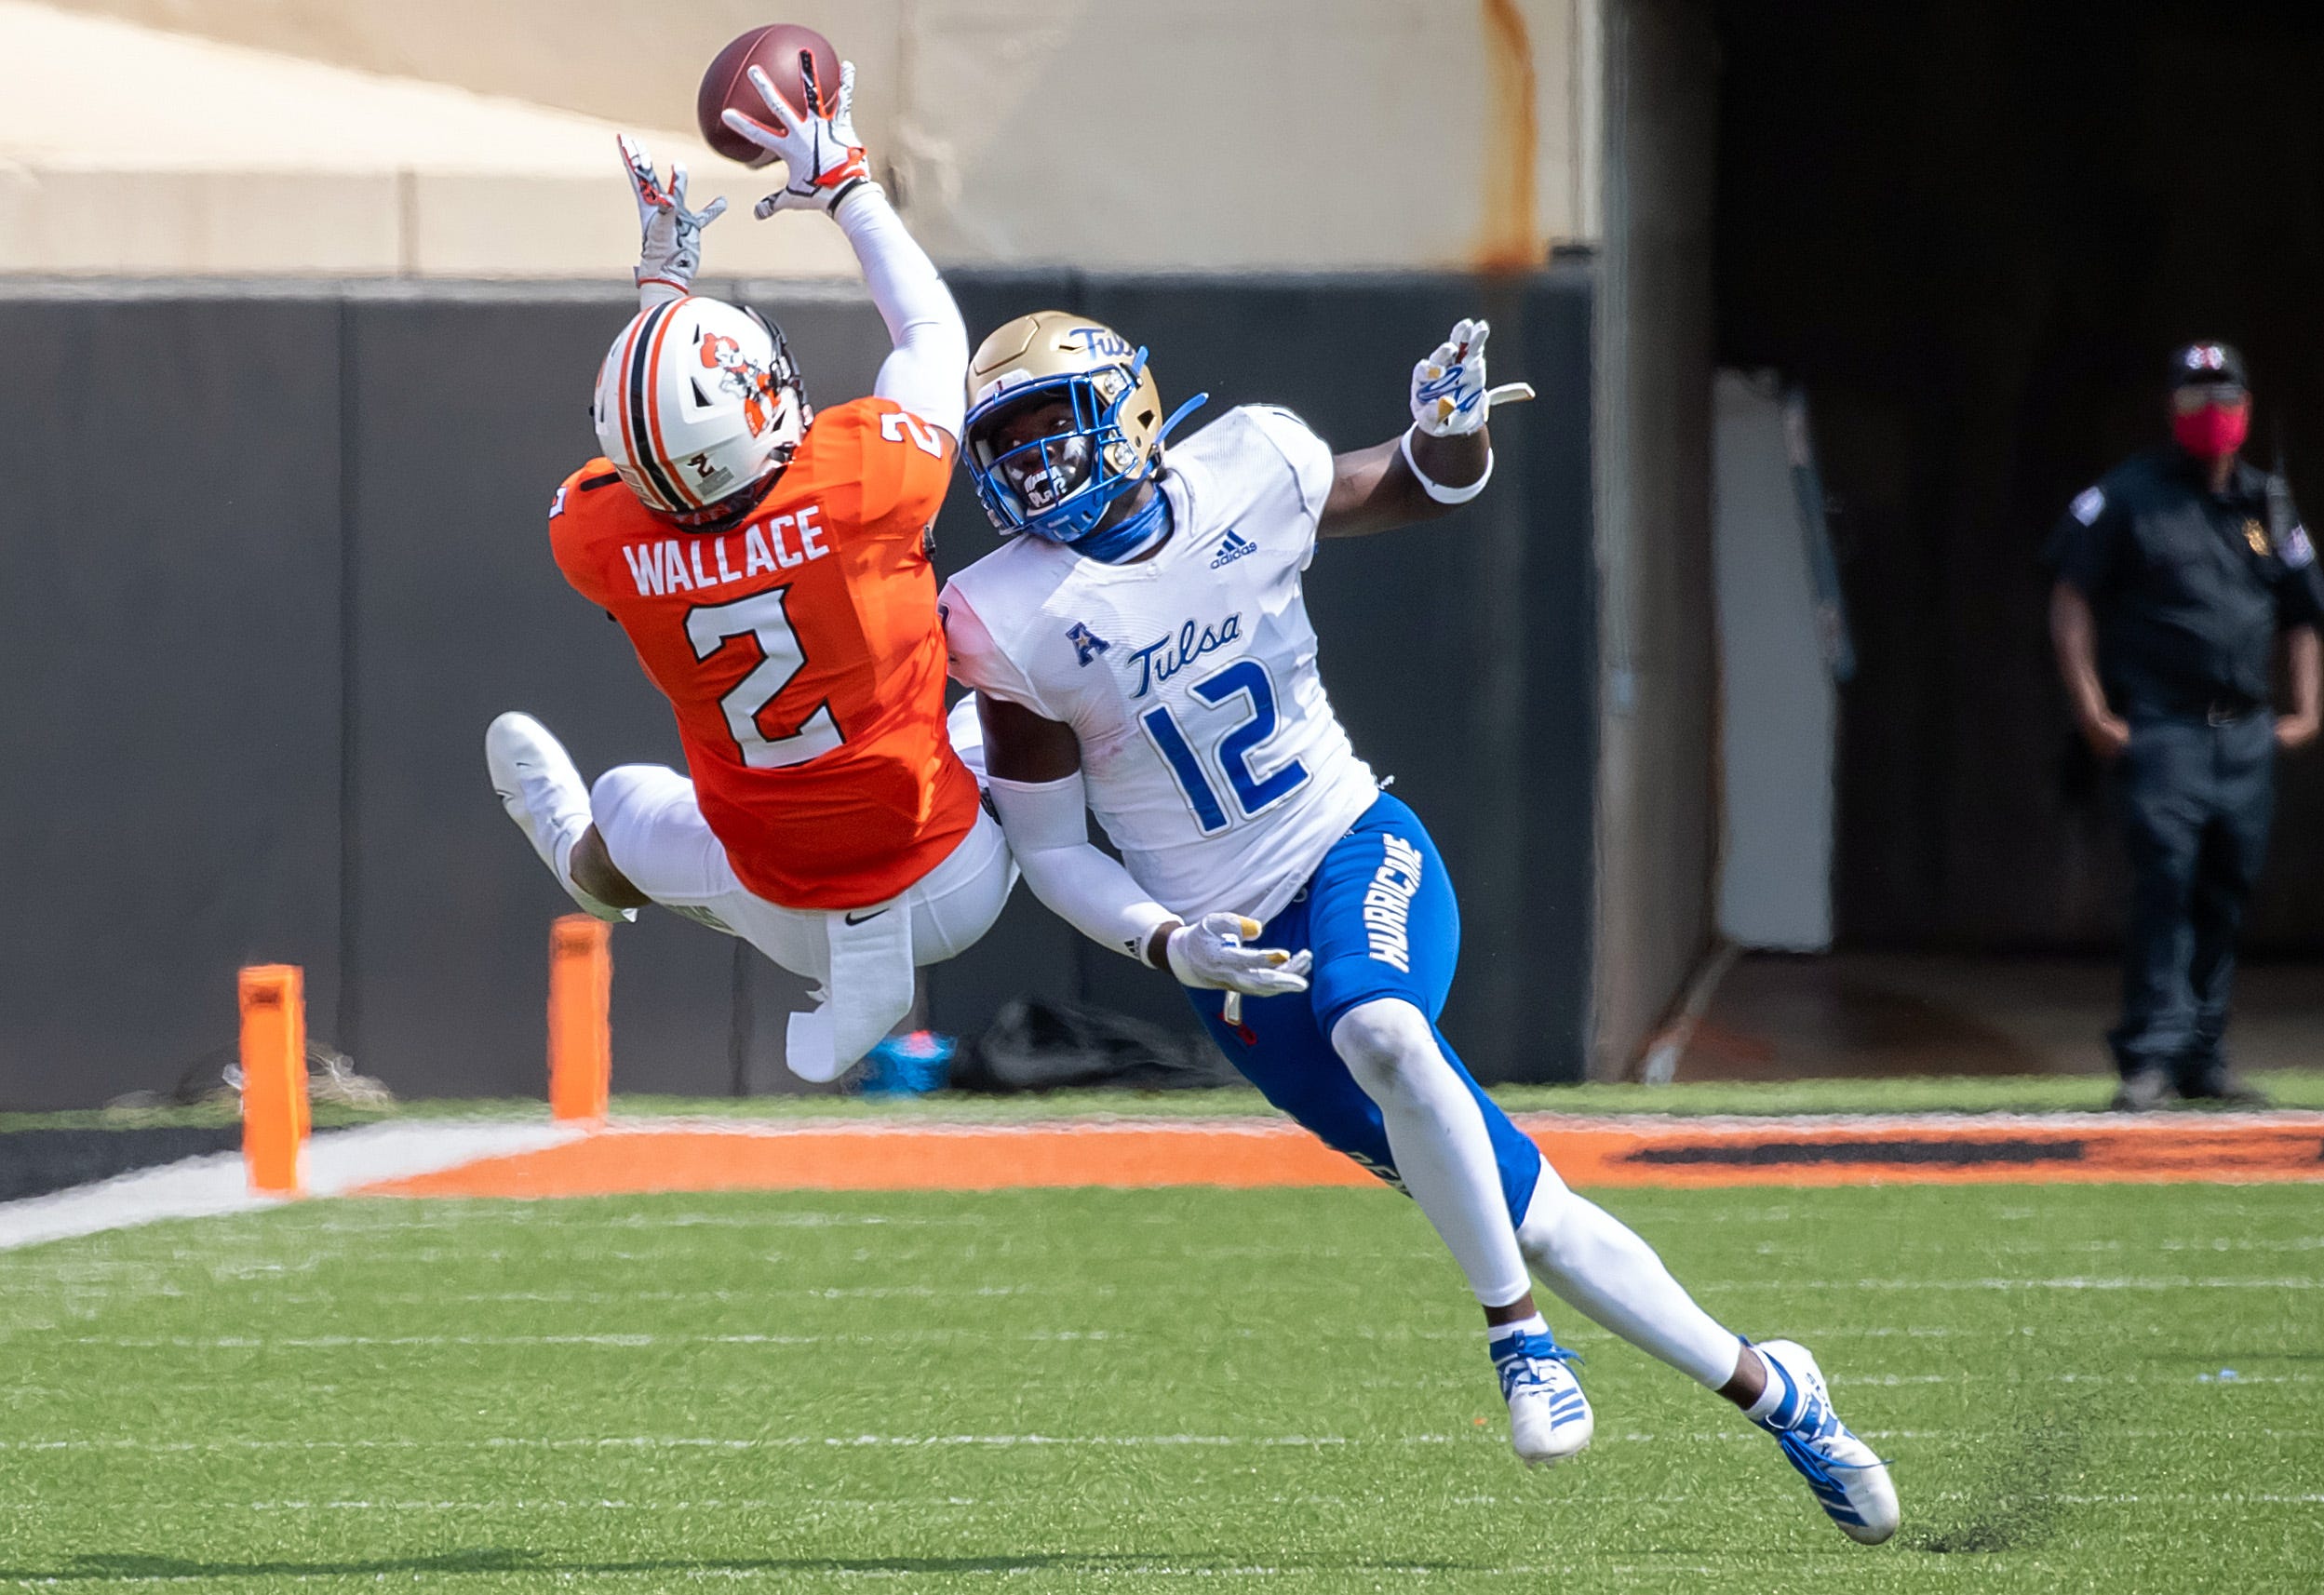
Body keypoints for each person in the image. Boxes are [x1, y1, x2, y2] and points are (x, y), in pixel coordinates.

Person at [938, 312, 1900, 1544]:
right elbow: (1052, 844)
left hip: (1351, 846)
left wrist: (1446, 436)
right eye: (1001, 442)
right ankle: (1782, 1394)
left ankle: (1518, 1340)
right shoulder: (1006, 611)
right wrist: (1168, 943)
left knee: (1384, 1027)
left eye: (1045, 426)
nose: (1026, 463)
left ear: (1126, 407)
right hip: (1228, 955)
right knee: (1532, 1212)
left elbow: (1416, 484)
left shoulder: (1255, 462)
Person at [486, 58, 1013, 1083]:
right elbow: (931, 332)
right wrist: (846, 185)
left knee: (627, 805)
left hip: (775, 905)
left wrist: (660, 286)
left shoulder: (603, 538)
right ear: (766, 403)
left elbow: (658, 452)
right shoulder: (861, 484)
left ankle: (579, 866)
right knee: (1034, 663)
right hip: (960, 875)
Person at [2048, 342, 2323, 1111]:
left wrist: (2306, 711)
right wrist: (2094, 712)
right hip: (2162, 729)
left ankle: (2203, 1057)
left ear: (2246, 405)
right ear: (2172, 408)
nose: (2212, 413)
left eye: (2223, 396)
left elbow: (2303, 613)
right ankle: (2149, 1060)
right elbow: (2069, 599)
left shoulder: (2266, 505)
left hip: (2244, 735)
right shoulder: (2128, 499)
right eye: (2196, 397)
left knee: (2224, 889)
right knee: (2163, 884)